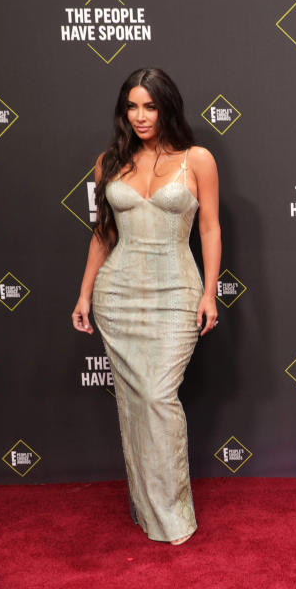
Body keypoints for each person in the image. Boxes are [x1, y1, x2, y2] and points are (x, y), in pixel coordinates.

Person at [71, 68, 221, 545]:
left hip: (176, 291)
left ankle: (173, 516)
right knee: (135, 405)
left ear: (167, 107)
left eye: (150, 106)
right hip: (118, 294)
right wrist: (84, 293)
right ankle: (148, 509)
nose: (140, 116)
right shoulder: (108, 163)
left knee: (158, 396)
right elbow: (103, 234)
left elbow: (211, 230)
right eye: (132, 106)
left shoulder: (197, 160)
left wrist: (210, 292)